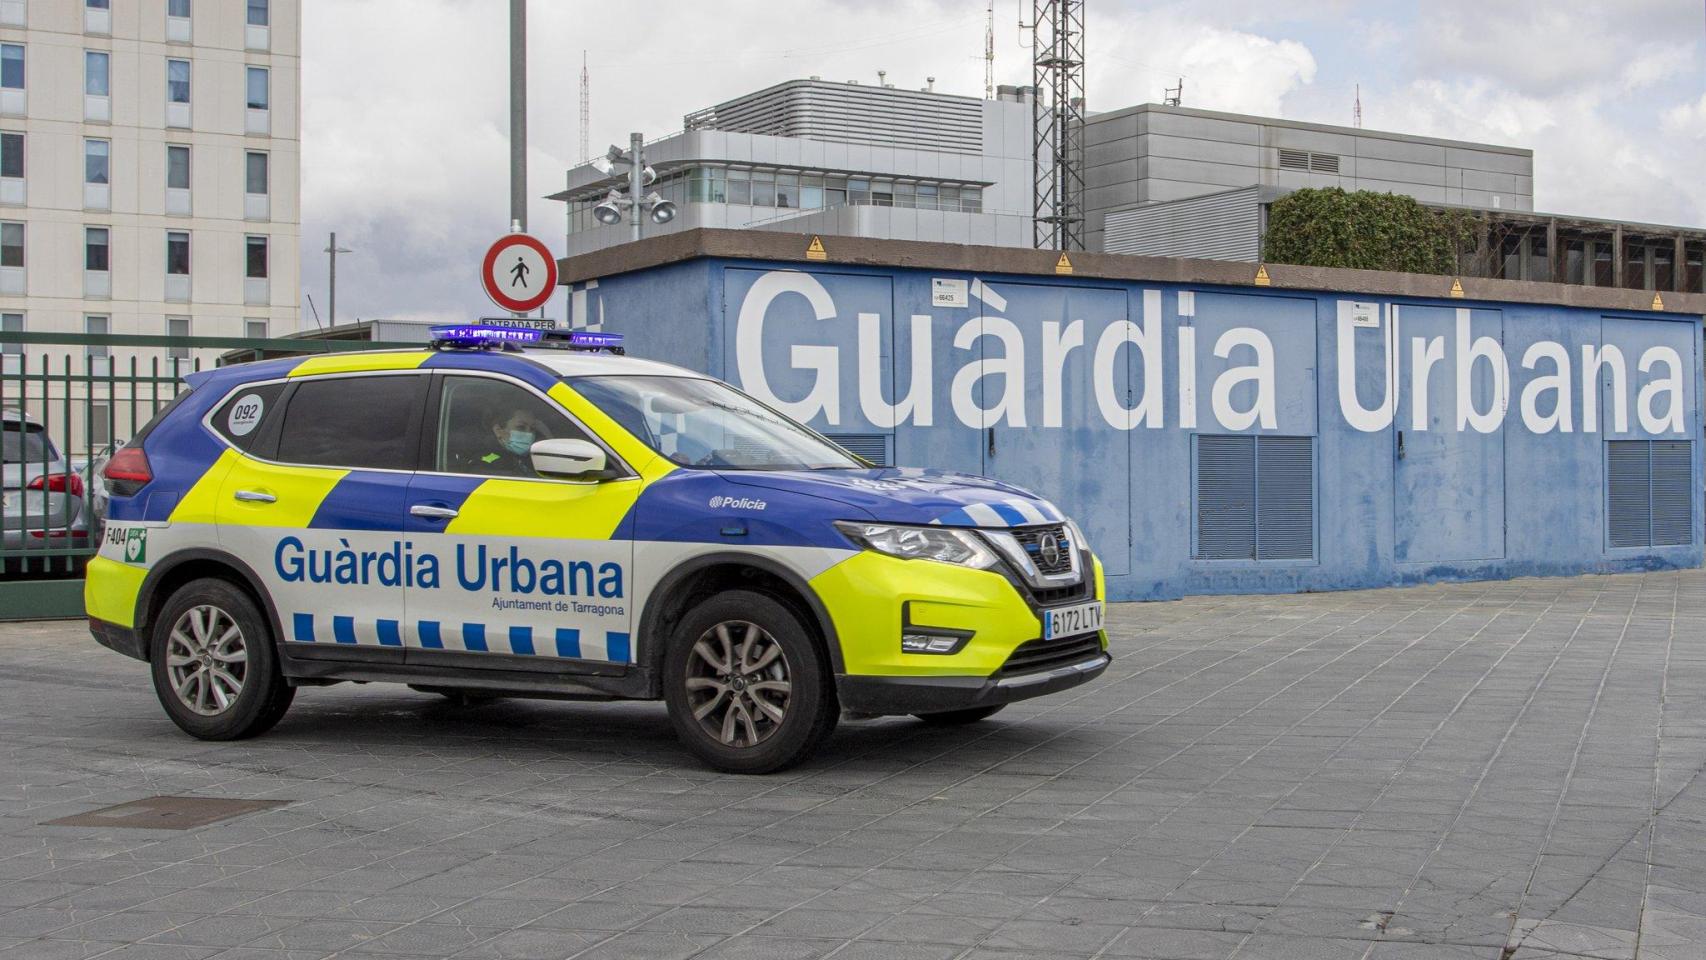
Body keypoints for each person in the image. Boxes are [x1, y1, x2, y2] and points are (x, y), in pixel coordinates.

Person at [454, 406, 547, 477]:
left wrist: (548, 435)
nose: (529, 434)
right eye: (521, 427)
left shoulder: (525, 458)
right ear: (498, 430)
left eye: (533, 429)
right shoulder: (485, 465)